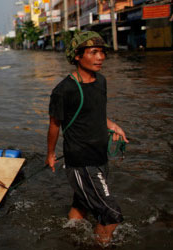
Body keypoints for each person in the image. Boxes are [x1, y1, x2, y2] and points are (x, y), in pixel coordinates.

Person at [45, 31, 129, 245]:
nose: (100, 57)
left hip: (100, 156)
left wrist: (113, 126)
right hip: (82, 162)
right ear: (77, 56)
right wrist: (51, 154)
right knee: (111, 215)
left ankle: (68, 234)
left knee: (81, 205)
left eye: (102, 52)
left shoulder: (101, 81)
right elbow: (55, 125)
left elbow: (96, 113)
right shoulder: (64, 90)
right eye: (93, 52)